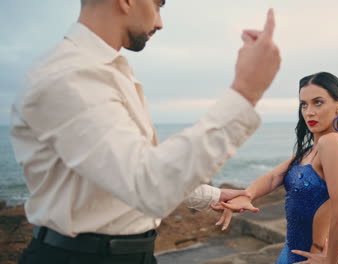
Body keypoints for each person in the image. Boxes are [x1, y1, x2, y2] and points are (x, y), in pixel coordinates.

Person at [9, 0, 281, 263]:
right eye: (158, 4)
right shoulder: (69, 76)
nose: (160, 23)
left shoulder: (105, 72)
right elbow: (149, 186)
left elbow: (137, 170)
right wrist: (246, 92)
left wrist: (213, 196)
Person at [214, 72, 338, 264]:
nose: (309, 112)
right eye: (304, 104)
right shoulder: (312, 149)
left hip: (313, 257)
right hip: (292, 252)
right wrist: (246, 195)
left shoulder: (331, 142)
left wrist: (331, 260)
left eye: (318, 102)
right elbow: (275, 177)